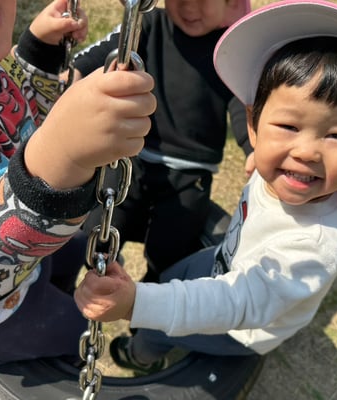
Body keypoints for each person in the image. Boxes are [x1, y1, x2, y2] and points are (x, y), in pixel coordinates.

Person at [74, 0, 337, 373]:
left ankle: (142, 354)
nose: (306, 152)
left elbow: (234, 303)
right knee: (174, 275)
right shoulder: (279, 170)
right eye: (288, 127)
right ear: (255, 126)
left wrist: (136, 304)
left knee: (161, 326)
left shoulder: (315, 246)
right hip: (226, 257)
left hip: (243, 326)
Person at [0, 0, 156, 364]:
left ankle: (57, 282)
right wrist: (64, 152)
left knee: (72, 252)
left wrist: (39, 49)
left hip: (30, 262)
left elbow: (23, 102)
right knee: (74, 329)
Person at [72, 0, 252, 282]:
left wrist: (253, 149)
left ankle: (151, 290)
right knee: (98, 228)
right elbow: (108, 52)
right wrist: (76, 73)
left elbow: (242, 106)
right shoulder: (148, 24)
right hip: (132, 156)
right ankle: (101, 276)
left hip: (191, 172)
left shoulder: (230, 49)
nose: (190, 8)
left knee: (171, 250)